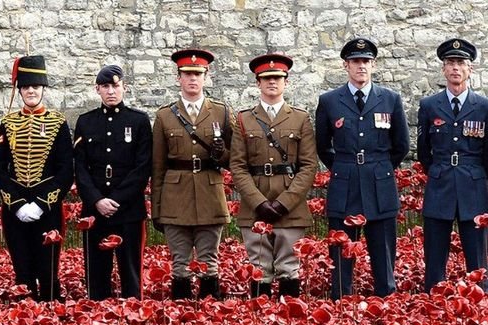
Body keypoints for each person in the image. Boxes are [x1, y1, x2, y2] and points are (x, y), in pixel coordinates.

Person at [315, 38, 410, 299]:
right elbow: (323, 146)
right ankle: (341, 305)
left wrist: (379, 168)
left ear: (373, 65)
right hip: (344, 185)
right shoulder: (329, 101)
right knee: (341, 257)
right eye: (356, 61)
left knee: (384, 255)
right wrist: (344, 167)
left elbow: (401, 145)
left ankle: (386, 304)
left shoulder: (390, 99)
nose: (361, 66)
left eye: (366, 61)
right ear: (345, 65)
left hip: (380, 185)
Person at [230, 53, 318, 298]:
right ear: (257, 82)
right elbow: (238, 166)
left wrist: (284, 202)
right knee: (259, 268)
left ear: (286, 82)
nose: (272, 82)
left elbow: (308, 165)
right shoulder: (244, 119)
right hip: (254, 205)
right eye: (266, 78)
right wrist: (258, 202)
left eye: (277, 78)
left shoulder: (300, 118)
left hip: (290, 206)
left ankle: (290, 317)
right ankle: (260, 317)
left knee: (289, 266)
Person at [418, 38, 488, 293]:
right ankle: (433, 301)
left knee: (477, 257)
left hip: (472, 185)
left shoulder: (485, 107)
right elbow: (423, 151)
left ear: (470, 69)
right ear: (443, 69)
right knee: (434, 256)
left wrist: (475, 174)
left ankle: (480, 301)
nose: (455, 68)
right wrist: (438, 170)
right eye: (450, 62)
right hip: (440, 183)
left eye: (461, 63)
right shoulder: (429, 106)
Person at [151, 49, 231, 299]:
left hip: (210, 193)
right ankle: (181, 314)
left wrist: (221, 154)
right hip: (175, 197)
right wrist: (157, 208)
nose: (193, 79)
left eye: (198, 74)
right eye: (187, 74)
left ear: (206, 77)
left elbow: (235, 160)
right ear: (179, 78)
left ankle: (211, 312)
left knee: (209, 260)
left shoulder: (221, 112)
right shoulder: (165, 116)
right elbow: (158, 166)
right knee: (180, 263)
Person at [0, 55, 73, 301]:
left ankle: (49, 315)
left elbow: (65, 170)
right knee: (22, 269)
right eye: (26, 87)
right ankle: (24, 315)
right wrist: (16, 205)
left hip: (47, 209)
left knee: (48, 271)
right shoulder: (8, 123)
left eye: (35, 86)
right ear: (19, 90)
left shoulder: (58, 123)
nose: (31, 91)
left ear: (43, 89)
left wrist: (40, 204)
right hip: (15, 210)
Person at [74, 65, 152, 300]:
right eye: (105, 86)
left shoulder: (138, 121)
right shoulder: (86, 122)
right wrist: (97, 200)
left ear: (124, 88)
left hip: (128, 210)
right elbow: (80, 168)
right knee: (96, 277)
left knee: (131, 277)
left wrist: (116, 199)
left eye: (115, 86)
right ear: (97, 89)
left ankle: (132, 319)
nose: (111, 91)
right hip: (95, 212)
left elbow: (142, 168)